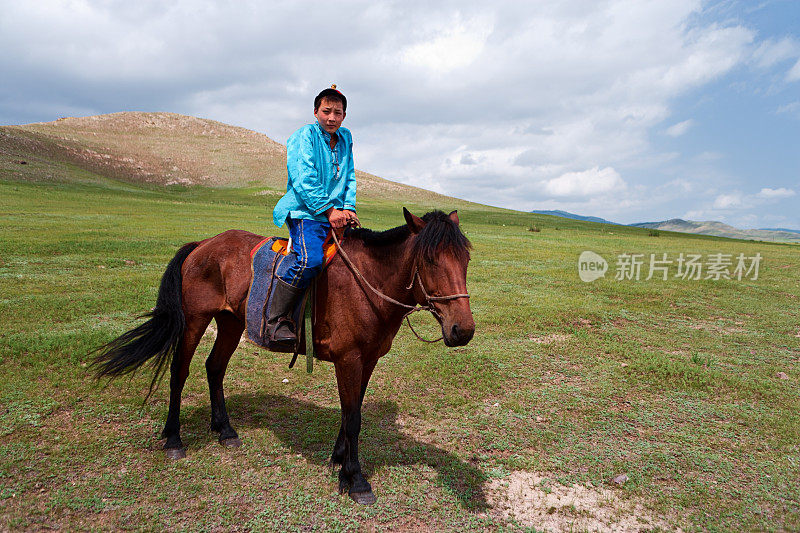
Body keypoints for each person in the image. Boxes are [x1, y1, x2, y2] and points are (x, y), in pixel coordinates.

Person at [268, 85, 359, 345]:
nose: (332, 118)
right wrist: (329, 210)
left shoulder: (345, 137)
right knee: (310, 260)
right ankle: (277, 320)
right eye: (326, 111)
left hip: (337, 214)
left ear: (344, 116)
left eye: (338, 113)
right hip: (305, 211)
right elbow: (304, 177)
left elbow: (349, 174)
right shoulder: (304, 135)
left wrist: (348, 208)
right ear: (315, 111)